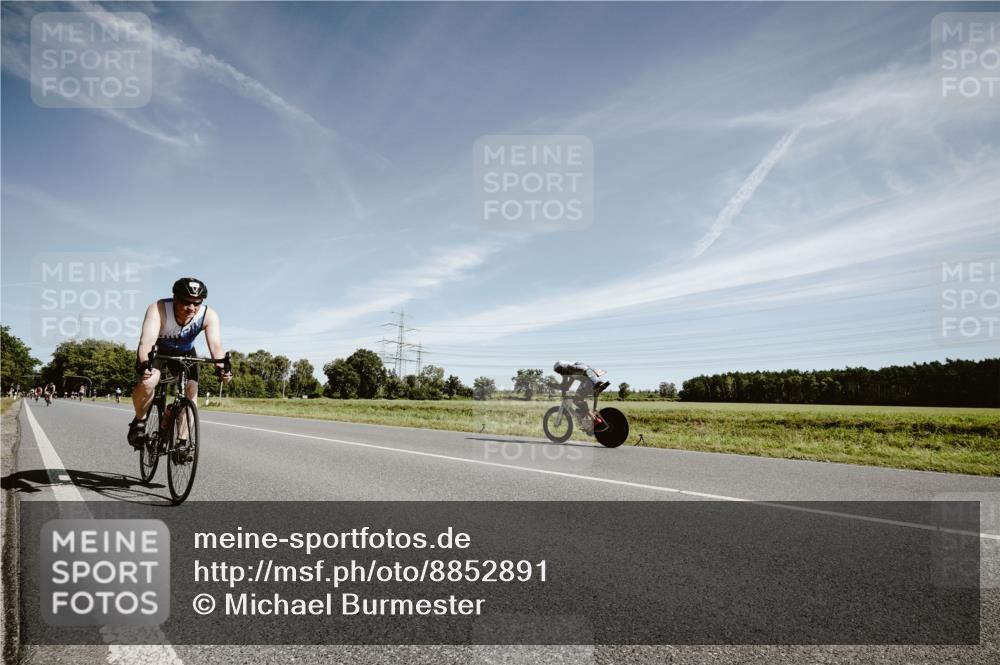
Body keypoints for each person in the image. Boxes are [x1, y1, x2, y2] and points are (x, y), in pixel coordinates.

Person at [127, 277, 233, 450]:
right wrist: (145, 363)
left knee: (191, 390)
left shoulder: (208, 315)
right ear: (175, 298)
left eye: (197, 303)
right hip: (157, 350)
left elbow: (215, 346)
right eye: (186, 302)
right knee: (148, 382)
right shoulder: (159, 309)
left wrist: (222, 368)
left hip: (184, 352)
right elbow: (146, 341)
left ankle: (181, 442)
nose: (192, 308)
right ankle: (139, 421)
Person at [552, 361, 611, 431]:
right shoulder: (567, 373)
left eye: (559, 370)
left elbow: (584, 368)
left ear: (563, 367)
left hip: (592, 382)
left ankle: (594, 419)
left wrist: (596, 383)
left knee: (576, 399)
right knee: (580, 402)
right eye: (557, 372)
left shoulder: (570, 367)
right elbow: (566, 386)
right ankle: (588, 421)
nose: (559, 373)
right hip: (590, 382)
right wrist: (555, 385)